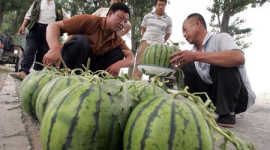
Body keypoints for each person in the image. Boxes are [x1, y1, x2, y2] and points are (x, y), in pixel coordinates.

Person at [170, 13, 256, 128]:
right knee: (186, 64)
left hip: (239, 98)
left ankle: (227, 113)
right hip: (215, 96)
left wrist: (196, 56)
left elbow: (238, 58)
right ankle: (196, 107)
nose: (184, 35)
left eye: (185, 30)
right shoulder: (192, 52)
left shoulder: (221, 38)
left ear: (197, 24)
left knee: (219, 60)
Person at [42, 3, 134, 76]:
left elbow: (131, 57)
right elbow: (53, 26)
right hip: (72, 65)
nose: (122, 24)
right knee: (81, 41)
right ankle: (67, 77)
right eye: (120, 18)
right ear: (110, 14)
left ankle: (97, 84)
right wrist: (54, 49)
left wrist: (119, 64)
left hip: (90, 70)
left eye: (125, 21)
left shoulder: (116, 39)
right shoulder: (89, 21)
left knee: (118, 53)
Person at [10, 0, 69, 80]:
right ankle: (23, 72)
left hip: (49, 32)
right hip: (35, 29)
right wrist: (23, 26)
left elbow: (67, 19)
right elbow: (28, 16)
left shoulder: (58, 7)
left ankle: (38, 74)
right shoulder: (37, 3)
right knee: (30, 49)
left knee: (43, 52)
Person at [131, 0, 172, 79]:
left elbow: (168, 34)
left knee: (157, 65)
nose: (161, 7)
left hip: (159, 45)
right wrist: (147, 38)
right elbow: (143, 29)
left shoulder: (168, 19)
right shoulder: (148, 16)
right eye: (159, 5)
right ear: (155, 5)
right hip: (146, 41)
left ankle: (154, 84)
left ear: (165, 6)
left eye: (163, 5)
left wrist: (161, 41)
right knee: (139, 63)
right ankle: (134, 82)